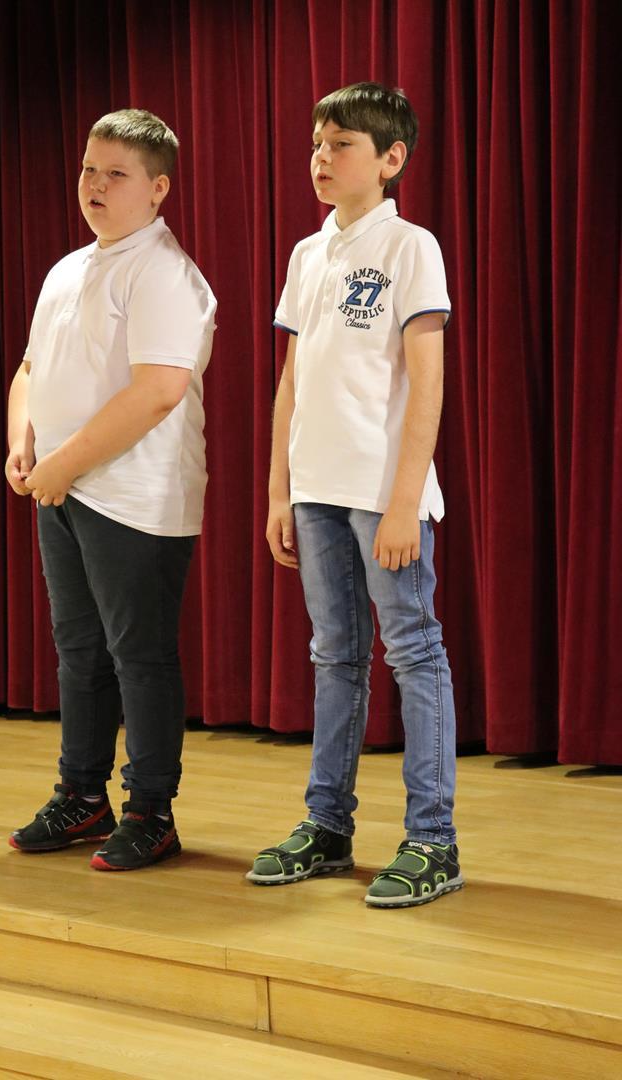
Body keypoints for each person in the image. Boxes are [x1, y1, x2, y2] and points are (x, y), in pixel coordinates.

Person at [246, 83, 463, 907]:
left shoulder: (410, 246)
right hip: (317, 490)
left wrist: (405, 500)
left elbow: (427, 380)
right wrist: (279, 491)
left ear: (390, 158)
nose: (322, 159)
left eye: (341, 145)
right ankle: (327, 825)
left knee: (413, 651)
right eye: (317, 144)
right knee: (334, 655)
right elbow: (292, 382)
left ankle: (433, 839)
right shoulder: (308, 255)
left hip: (382, 492)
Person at [5, 108, 216, 872]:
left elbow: (158, 391)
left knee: (140, 656)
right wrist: (23, 441)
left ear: (157, 189)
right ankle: (81, 796)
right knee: (79, 651)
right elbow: (29, 369)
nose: (94, 185)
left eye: (116, 174)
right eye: (89, 169)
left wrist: (63, 465)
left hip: (134, 496)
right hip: (64, 489)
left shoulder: (164, 273)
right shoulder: (68, 270)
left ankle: (151, 812)